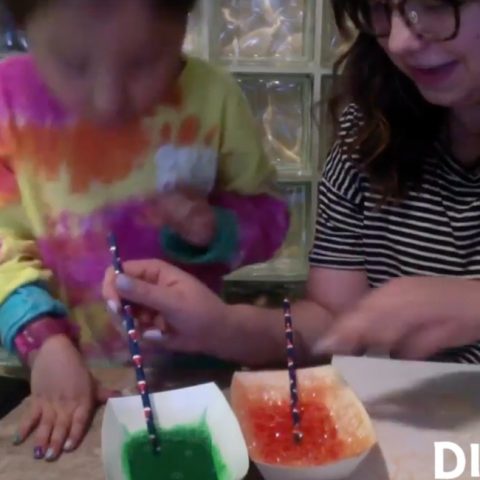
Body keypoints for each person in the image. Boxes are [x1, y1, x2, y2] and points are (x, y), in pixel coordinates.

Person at [103, 0, 480, 370]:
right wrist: (221, 327)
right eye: (379, 7)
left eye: (436, 4)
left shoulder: (212, 93)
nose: (398, 40)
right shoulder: (369, 132)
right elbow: (330, 323)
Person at [0, 0, 290, 461]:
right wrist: (42, 341)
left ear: (183, 26)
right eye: (75, 64)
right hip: (52, 377)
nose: (110, 100)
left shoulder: (212, 98)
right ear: (21, 28)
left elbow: (272, 217)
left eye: (144, 63)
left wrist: (216, 228)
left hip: (188, 375)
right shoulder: (7, 102)